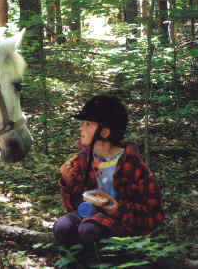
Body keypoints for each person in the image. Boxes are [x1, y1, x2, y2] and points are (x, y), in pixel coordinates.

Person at [53, 95, 164, 265]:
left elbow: (153, 215)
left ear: (105, 132)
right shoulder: (84, 159)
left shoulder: (132, 165)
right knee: (63, 226)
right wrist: (68, 183)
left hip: (121, 223)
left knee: (89, 229)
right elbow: (74, 207)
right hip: (91, 217)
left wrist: (118, 209)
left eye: (88, 124)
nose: (81, 128)